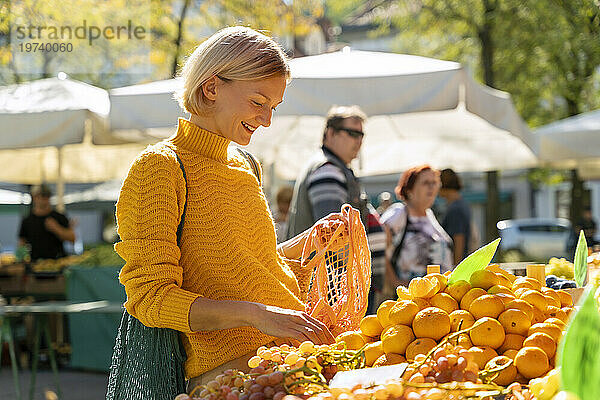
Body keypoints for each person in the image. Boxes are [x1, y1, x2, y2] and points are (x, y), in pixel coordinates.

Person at [113, 27, 334, 391]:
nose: (266, 120)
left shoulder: (246, 164)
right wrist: (257, 316)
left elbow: (243, 267)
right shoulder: (159, 167)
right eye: (258, 102)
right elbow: (151, 299)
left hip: (292, 361)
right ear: (211, 87)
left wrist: (306, 244)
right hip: (231, 378)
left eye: (273, 107)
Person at [285, 105, 369, 239]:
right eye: (353, 133)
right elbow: (331, 239)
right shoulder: (328, 170)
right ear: (331, 133)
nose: (359, 141)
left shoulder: (330, 167)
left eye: (361, 135)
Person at [381, 165, 452, 289]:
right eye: (425, 183)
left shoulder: (429, 214)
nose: (431, 187)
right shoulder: (399, 213)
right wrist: (396, 283)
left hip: (437, 296)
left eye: (434, 183)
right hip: (409, 299)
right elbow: (378, 251)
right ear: (410, 190)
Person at [18, 184, 75, 261]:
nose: (42, 199)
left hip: (58, 262)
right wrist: (21, 257)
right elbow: (22, 242)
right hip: (36, 263)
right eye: (39, 196)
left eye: (45, 196)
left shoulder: (59, 217)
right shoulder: (27, 220)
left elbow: (72, 238)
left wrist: (57, 229)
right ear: (34, 197)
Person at [439, 168, 472, 265]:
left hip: (455, 263)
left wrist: (455, 268)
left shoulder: (455, 208)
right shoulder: (463, 204)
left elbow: (459, 239)